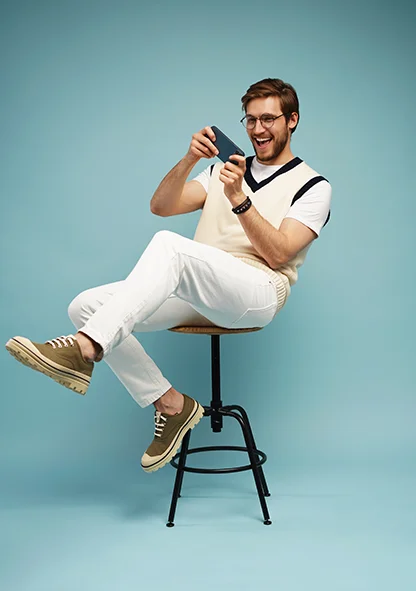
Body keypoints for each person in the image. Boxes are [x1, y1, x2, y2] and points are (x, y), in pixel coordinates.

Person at [6, 78, 332, 473]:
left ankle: (86, 349)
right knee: (87, 305)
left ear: (292, 120)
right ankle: (171, 405)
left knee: (169, 246)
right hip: (200, 287)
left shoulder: (313, 186)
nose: (258, 130)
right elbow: (160, 206)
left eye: (269, 119)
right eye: (250, 120)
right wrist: (190, 160)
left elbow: (279, 252)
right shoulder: (222, 171)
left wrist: (240, 200)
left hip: (258, 291)